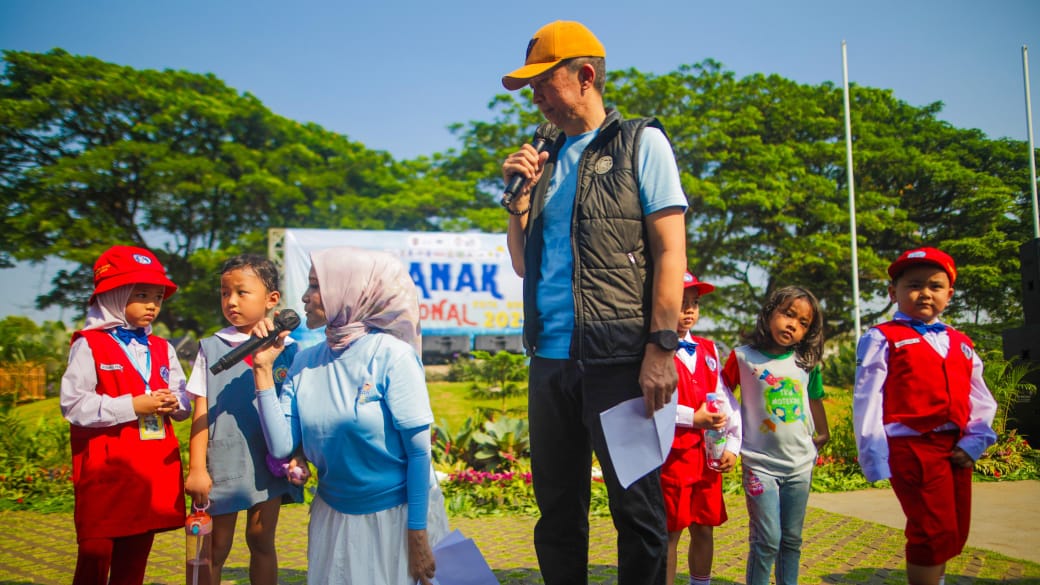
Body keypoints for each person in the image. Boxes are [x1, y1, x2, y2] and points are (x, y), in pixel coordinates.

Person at [499, 20, 688, 585]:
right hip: (550, 361)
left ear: (585, 76)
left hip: (620, 361)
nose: (535, 97)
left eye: (543, 82)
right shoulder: (545, 157)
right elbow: (523, 264)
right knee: (557, 512)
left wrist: (660, 348)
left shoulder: (641, 143)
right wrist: (517, 203)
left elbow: (670, 252)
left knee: (638, 511)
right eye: (530, 87)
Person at [251, 247, 450, 585]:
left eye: (316, 286)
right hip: (333, 518)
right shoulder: (304, 361)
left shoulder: (392, 356)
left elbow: (419, 454)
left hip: (396, 518)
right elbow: (282, 446)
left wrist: (417, 534)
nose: (304, 296)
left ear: (348, 291)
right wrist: (262, 369)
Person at [853, 247, 997, 585]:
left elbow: (980, 400)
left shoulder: (961, 342)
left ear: (950, 294)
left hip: (956, 449)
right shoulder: (882, 337)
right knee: (931, 531)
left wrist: (975, 443)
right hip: (912, 447)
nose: (925, 293)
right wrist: (874, 457)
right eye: (914, 285)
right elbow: (867, 399)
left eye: (935, 286)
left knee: (953, 529)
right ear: (894, 293)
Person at [59, 245, 191, 585]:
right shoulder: (89, 343)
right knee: (95, 551)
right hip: (106, 469)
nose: (152, 305)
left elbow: (184, 399)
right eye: (142, 295)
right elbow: (73, 404)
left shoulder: (163, 347)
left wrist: (175, 404)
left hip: (150, 470)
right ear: (114, 296)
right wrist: (133, 405)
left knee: (135, 557)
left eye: (158, 297)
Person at [183, 254, 302, 585]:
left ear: (272, 299)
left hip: (269, 463)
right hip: (223, 464)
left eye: (241, 292)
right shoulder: (211, 347)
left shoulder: (291, 350)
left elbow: (298, 412)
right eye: (224, 293)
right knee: (215, 546)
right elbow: (201, 411)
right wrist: (197, 469)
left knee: (261, 540)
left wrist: (298, 454)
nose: (231, 301)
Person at [720, 285, 830, 585]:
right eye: (788, 314)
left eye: (803, 323)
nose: (793, 325)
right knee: (767, 539)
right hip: (760, 465)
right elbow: (722, 396)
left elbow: (815, 399)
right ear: (769, 313)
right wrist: (724, 441)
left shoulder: (806, 362)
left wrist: (823, 433)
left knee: (792, 539)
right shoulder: (743, 358)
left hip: (800, 466)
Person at [662, 272, 741, 585]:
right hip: (673, 458)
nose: (689, 309)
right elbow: (647, 403)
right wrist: (691, 418)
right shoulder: (654, 350)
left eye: (694, 302)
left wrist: (733, 444)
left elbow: (724, 398)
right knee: (670, 532)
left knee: (704, 527)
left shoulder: (709, 349)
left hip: (708, 456)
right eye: (681, 302)